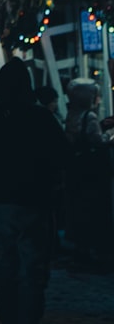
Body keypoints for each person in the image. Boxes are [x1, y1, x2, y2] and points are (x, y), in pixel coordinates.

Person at [0, 58, 69, 324]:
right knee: (34, 266)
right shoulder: (40, 116)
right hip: (36, 199)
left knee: (6, 261)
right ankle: (29, 317)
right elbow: (61, 153)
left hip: (2, 199)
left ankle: (9, 314)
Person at [62, 76, 114, 266]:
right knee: (94, 209)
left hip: (78, 172)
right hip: (92, 173)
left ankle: (81, 249)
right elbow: (98, 142)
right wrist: (109, 135)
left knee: (81, 210)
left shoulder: (72, 114)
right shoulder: (90, 116)